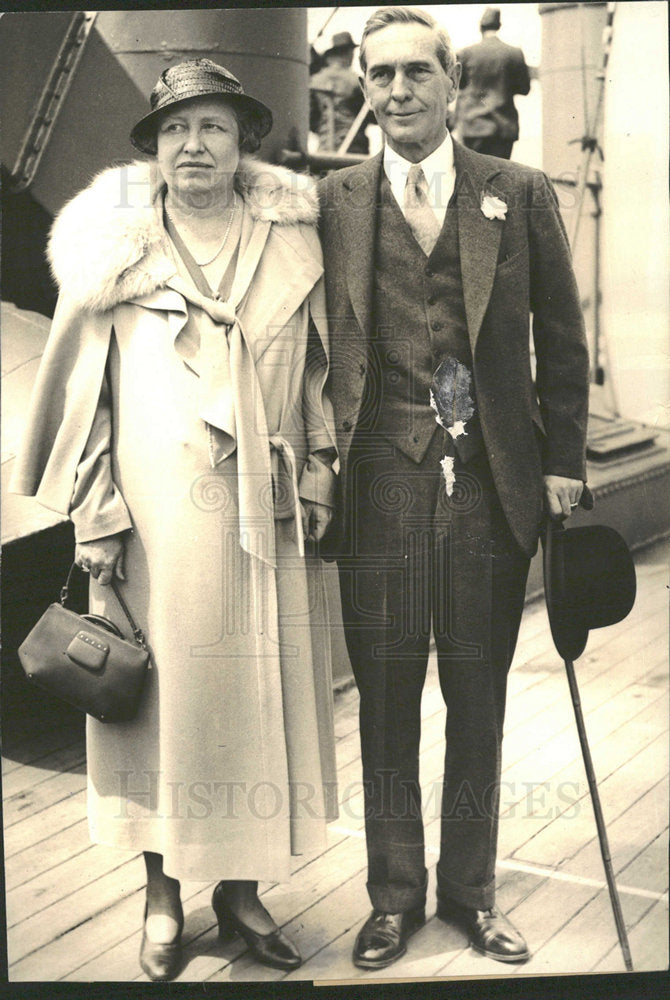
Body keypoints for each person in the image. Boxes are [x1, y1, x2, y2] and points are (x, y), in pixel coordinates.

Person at [10, 58, 339, 982]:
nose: (194, 145)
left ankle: (240, 891)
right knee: (161, 715)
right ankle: (162, 895)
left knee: (254, 707)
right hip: (155, 525)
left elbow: (316, 372)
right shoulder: (114, 253)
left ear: (244, 142)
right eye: (175, 129)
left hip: (267, 515)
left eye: (214, 127)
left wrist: (320, 470)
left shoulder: (292, 244)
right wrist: (95, 518)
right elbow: (85, 402)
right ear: (154, 147)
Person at [317, 6, 588, 970]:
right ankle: (393, 899)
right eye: (381, 74)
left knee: (478, 697)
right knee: (386, 699)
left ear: (452, 80)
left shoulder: (518, 190)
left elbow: (561, 335)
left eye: (417, 72)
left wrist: (564, 462)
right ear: (363, 84)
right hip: (378, 485)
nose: (398, 91)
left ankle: (471, 894)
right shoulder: (333, 201)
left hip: (487, 483)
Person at [454, 6, 531, 160]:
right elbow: (524, 89)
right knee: (499, 172)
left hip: (473, 126)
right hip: (503, 128)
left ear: (481, 27)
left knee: (474, 171)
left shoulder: (466, 53)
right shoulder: (514, 53)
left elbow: (459, 86)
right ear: (499, 26)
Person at [310, 31, 370, 154]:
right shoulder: (356, 81)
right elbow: (373, 115)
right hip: (353, 148)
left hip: (324, 149)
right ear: (346, 53)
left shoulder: (314, 81)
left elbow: (311, 118)